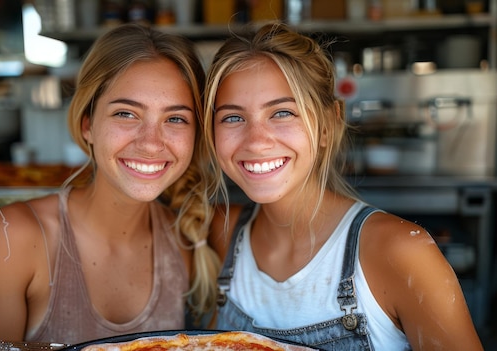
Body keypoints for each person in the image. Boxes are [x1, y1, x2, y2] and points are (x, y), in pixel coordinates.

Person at [203, 22, 483, 350]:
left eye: (282, 112)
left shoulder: (402, 254)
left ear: (327, 125)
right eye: (233, 118)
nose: (257, 141)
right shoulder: (221, 233)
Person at [0, 23, 220, 344]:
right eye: (126, 114)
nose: (151, 143)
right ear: (87, 124)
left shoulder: (186, 242)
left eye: (175, 119)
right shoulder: (13, 237)